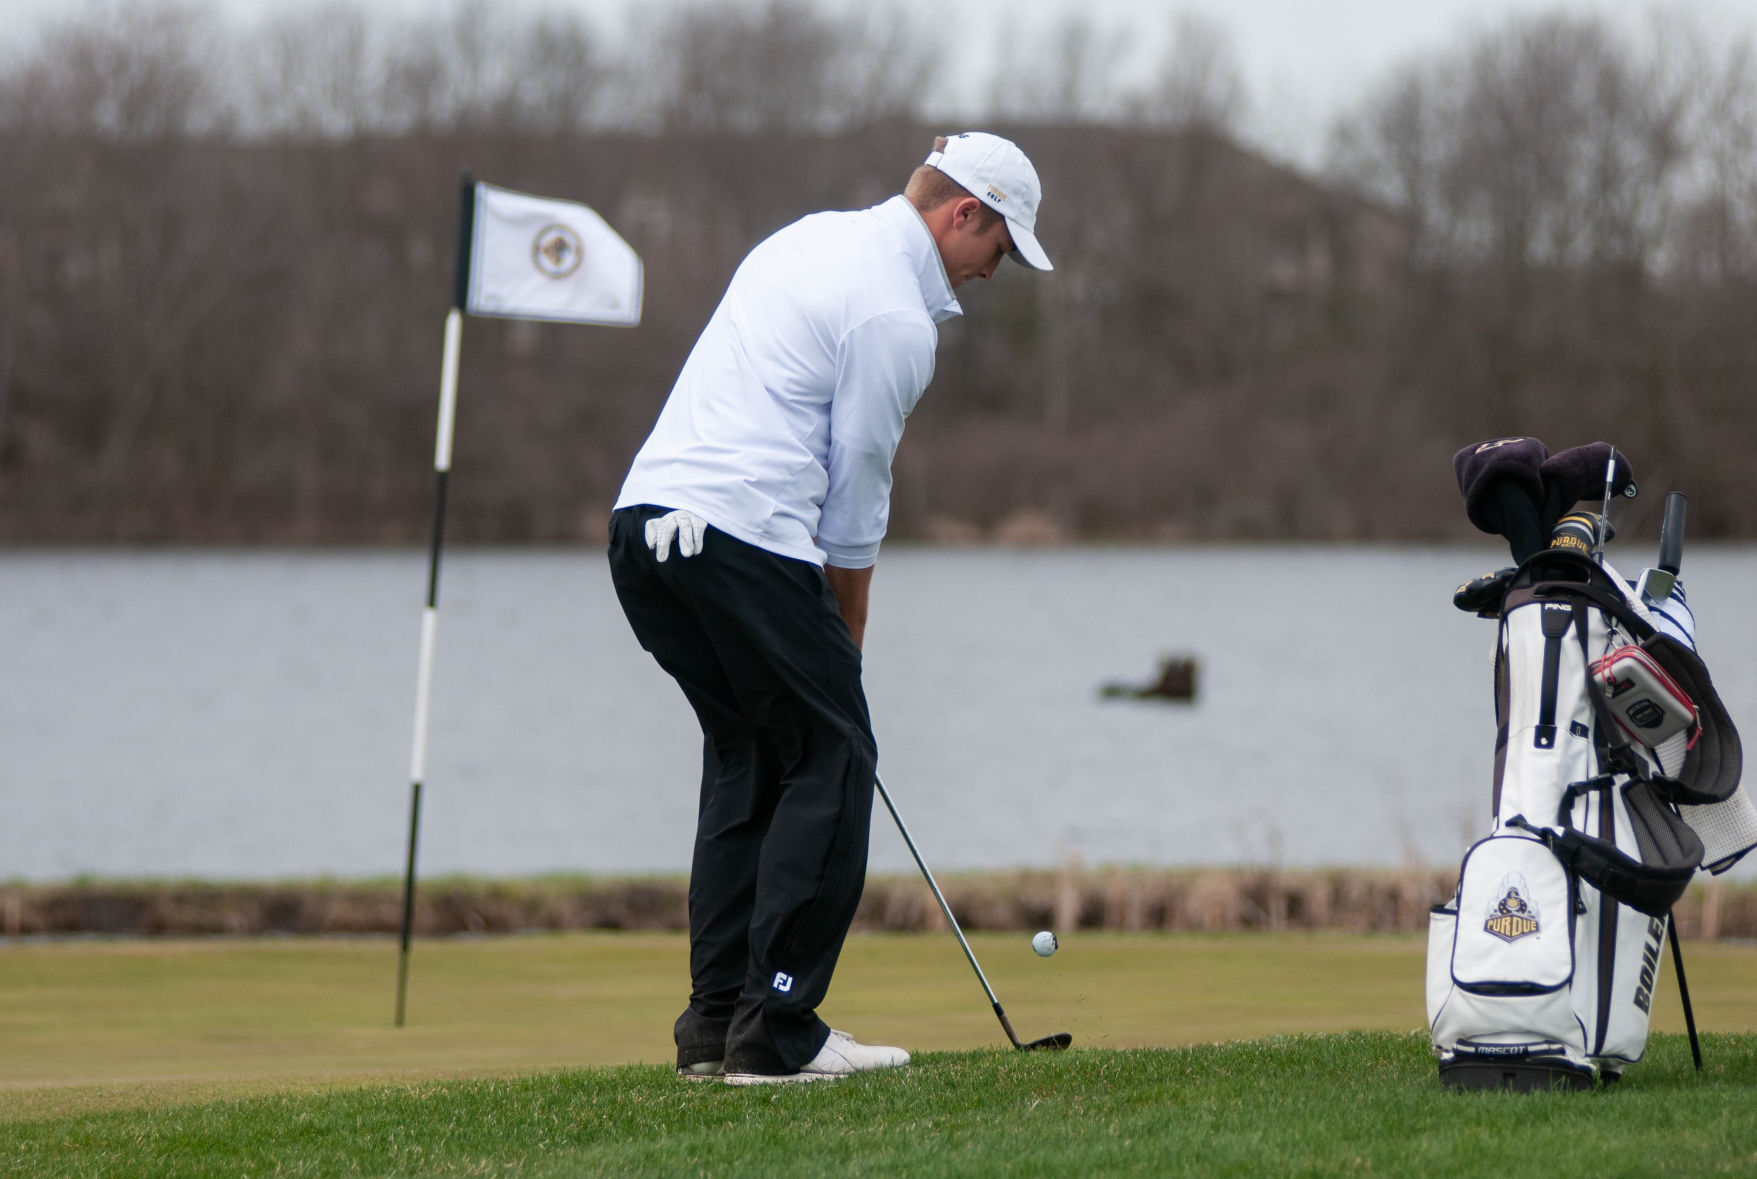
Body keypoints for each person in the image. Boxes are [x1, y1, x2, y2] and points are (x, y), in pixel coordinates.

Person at [606, 133, 1053, 1085]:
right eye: (1000, 245)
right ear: (963, 213)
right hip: (740, 533)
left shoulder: (807, 236)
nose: (994, 270)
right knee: (835, 752)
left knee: (749, 751)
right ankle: (776, 1028)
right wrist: (844, 644)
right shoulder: (896, 315)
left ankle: (715, 1025)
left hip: (644, 531)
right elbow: (855, 494)